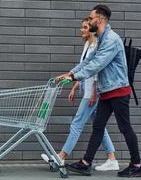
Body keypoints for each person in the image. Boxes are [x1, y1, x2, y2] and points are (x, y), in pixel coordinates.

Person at [56, 4, 141, 177]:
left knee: (125, 127)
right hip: (107, 91)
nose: (89, 21)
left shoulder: (111, 39)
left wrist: (75, 78)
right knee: (98, 126)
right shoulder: (102, 38)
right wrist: (70, 73)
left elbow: (97, 65)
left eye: (91, 18)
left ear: (100, 19)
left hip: (118, 92)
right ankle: (85, 163)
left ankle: (137, 165)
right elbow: (88, 60)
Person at [41, 18, 119, 171]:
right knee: (99, 126)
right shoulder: (87, 45)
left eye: (84, 27)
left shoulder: (96, 46)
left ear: (92, 29)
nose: (81, 30)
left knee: (76, 123)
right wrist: (75, 86)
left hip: (92, 93)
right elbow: (83, 69)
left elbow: (96, 71)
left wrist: (94, 94)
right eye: (81, 27)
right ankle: (112, 159)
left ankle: (61, 157)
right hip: (87, 90)